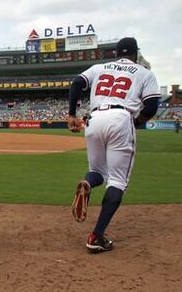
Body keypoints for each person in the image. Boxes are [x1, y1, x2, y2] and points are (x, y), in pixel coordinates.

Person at [67, 37, 160, 253]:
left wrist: (72, 114)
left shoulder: (99, 67)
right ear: (135, 54)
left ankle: (88, 184)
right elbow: (152, 106)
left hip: (94, 118)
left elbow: (76, 83)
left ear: (116, 53)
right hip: (121, 117)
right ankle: (96, 236)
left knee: (97, 171)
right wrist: (137, 122)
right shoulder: (144, 73)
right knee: (117, 181)